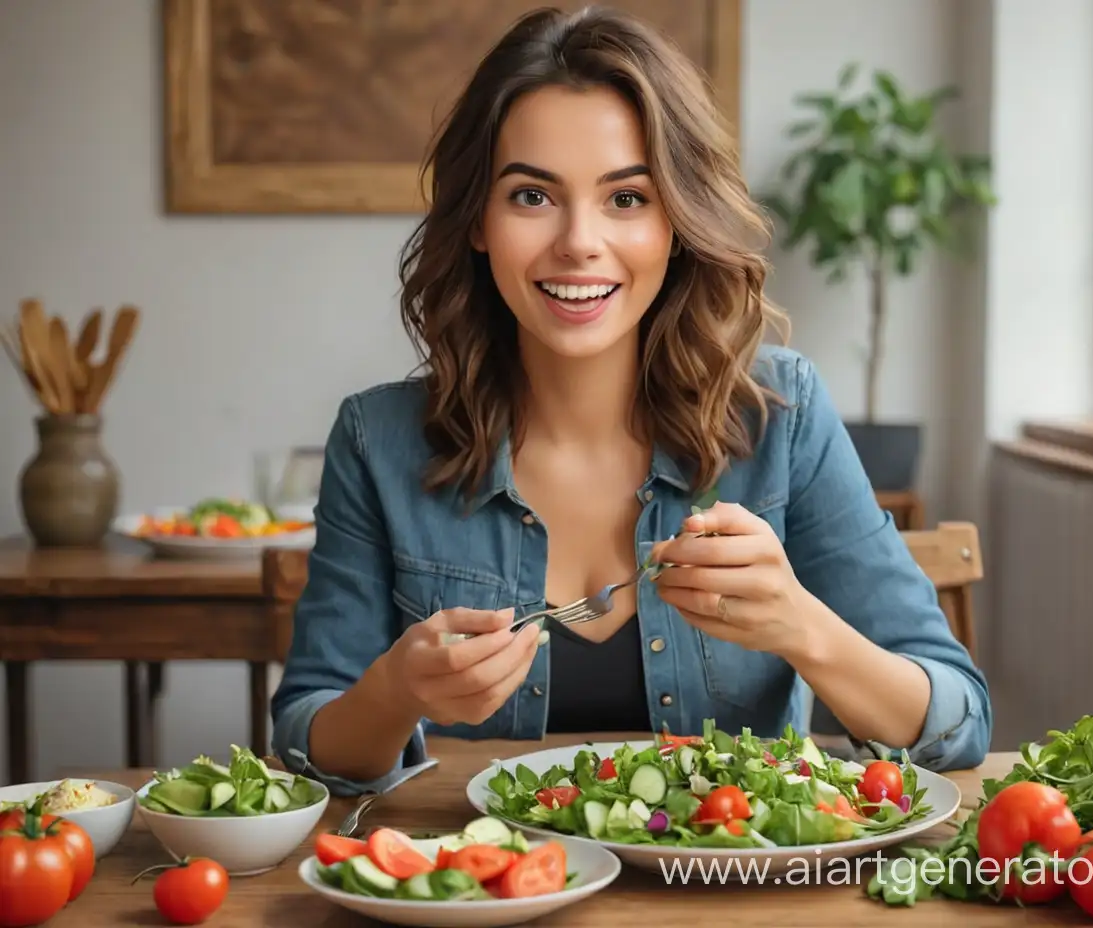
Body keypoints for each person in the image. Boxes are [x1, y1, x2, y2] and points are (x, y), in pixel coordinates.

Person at [269, 5, 991, 797]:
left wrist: (802, 626)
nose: (579, 242)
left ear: (677, 222)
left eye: (626, 199)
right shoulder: (380, 439)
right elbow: (309, 743)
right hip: (492, 893)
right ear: (477, 219)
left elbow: (957, 723)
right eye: (532, 197)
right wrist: (396, 692)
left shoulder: (781, 414)